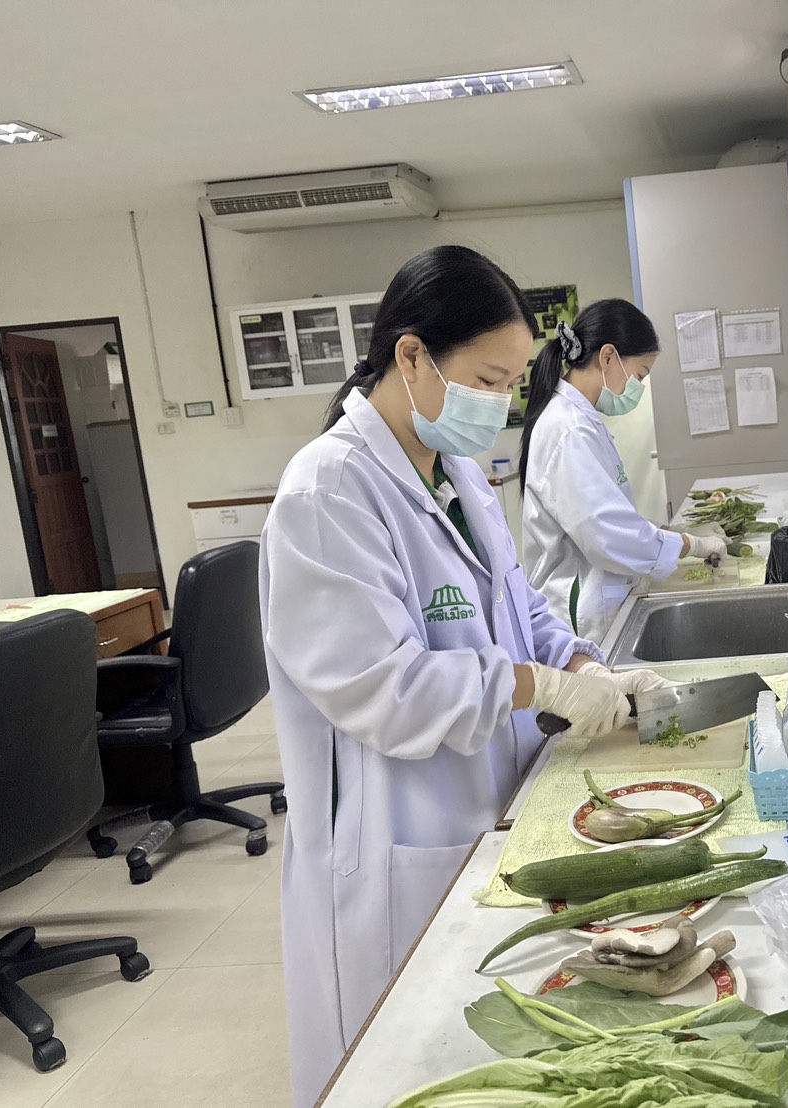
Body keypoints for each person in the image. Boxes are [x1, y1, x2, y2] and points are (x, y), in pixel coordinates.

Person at [259, 247, 661, 1107]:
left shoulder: (462, 476)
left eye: (512, 384)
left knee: (483, 1056)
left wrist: (583, 662)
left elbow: (520, 604)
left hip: (486, 804)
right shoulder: (327, 492)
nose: (501, 404)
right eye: (486, 379)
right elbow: (384, 690)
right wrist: (540, 688)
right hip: (398, 835)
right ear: (411, 356)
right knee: (401, 1069)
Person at [519, 299, 727, 642]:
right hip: (581, 614)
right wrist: (692, 544)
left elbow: (610, 515)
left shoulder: (582, 421)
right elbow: (607, 535)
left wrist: (672, 532)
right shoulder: (569, 429)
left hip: (600, 602)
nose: (636, 388)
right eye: (639, 374)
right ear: (607, 357)